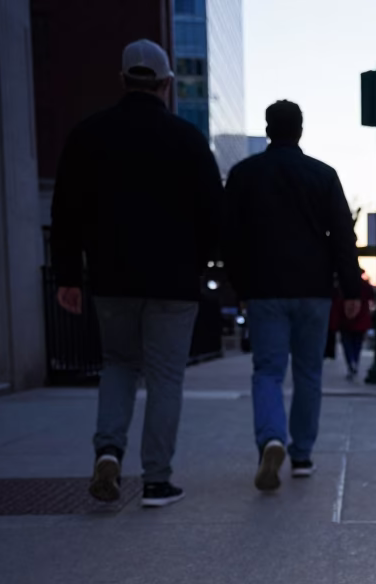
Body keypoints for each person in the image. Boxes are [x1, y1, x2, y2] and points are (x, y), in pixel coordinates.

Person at [51, 39, 222, 509]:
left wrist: (68, 275)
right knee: (166, 377)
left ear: (123, 80)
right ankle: (156, 481)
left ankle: (108, 451)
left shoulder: (88, 135)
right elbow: (214, 214)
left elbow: (65, 210)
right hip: (174, 282)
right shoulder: (187, 140)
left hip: (112, 278)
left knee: (119, 365)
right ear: (167, 85)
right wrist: (201, 263)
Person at [223, 100, 363, 491]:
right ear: (300, 130)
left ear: (268, 129)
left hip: (264, 290)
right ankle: (301, 454)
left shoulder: (244, 174)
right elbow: (343, 236)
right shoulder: (322, 175)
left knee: (267, 371)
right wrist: (350, 288)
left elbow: (230, 237)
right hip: (314, 291)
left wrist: (239, 286)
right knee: (308, 374)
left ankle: (270, 438)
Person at [331, 278, 374, 380]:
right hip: (358, 321)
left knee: (348, 344)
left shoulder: (341, 285)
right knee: (356, 344)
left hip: (345, 321)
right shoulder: (364, 285)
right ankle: (354, 362)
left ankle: (351, 362)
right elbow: (371, 296)